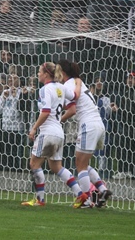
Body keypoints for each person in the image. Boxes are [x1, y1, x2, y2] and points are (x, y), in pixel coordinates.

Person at [20, 62, 83, 207]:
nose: (38, 74)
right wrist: (78, 83)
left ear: (46, 74)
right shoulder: (61, 87)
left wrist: (34, 128)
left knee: (34, 163)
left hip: (47, 132)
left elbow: (46, 111)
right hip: (59, 133)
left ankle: (40, 200)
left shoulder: (44, 89)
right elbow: (75, 96)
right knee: (56, 167)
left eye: (39, 71)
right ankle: (80, 194)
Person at [57, 59, 113, 208]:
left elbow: (72, 110)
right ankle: (102, 190)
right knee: (84, 163)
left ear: (62, 72)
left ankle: (87, 200)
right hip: (99, 124)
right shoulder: (77, 82)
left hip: (88, 125)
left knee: (79, 165)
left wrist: (59, 120)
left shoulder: (68, 85)